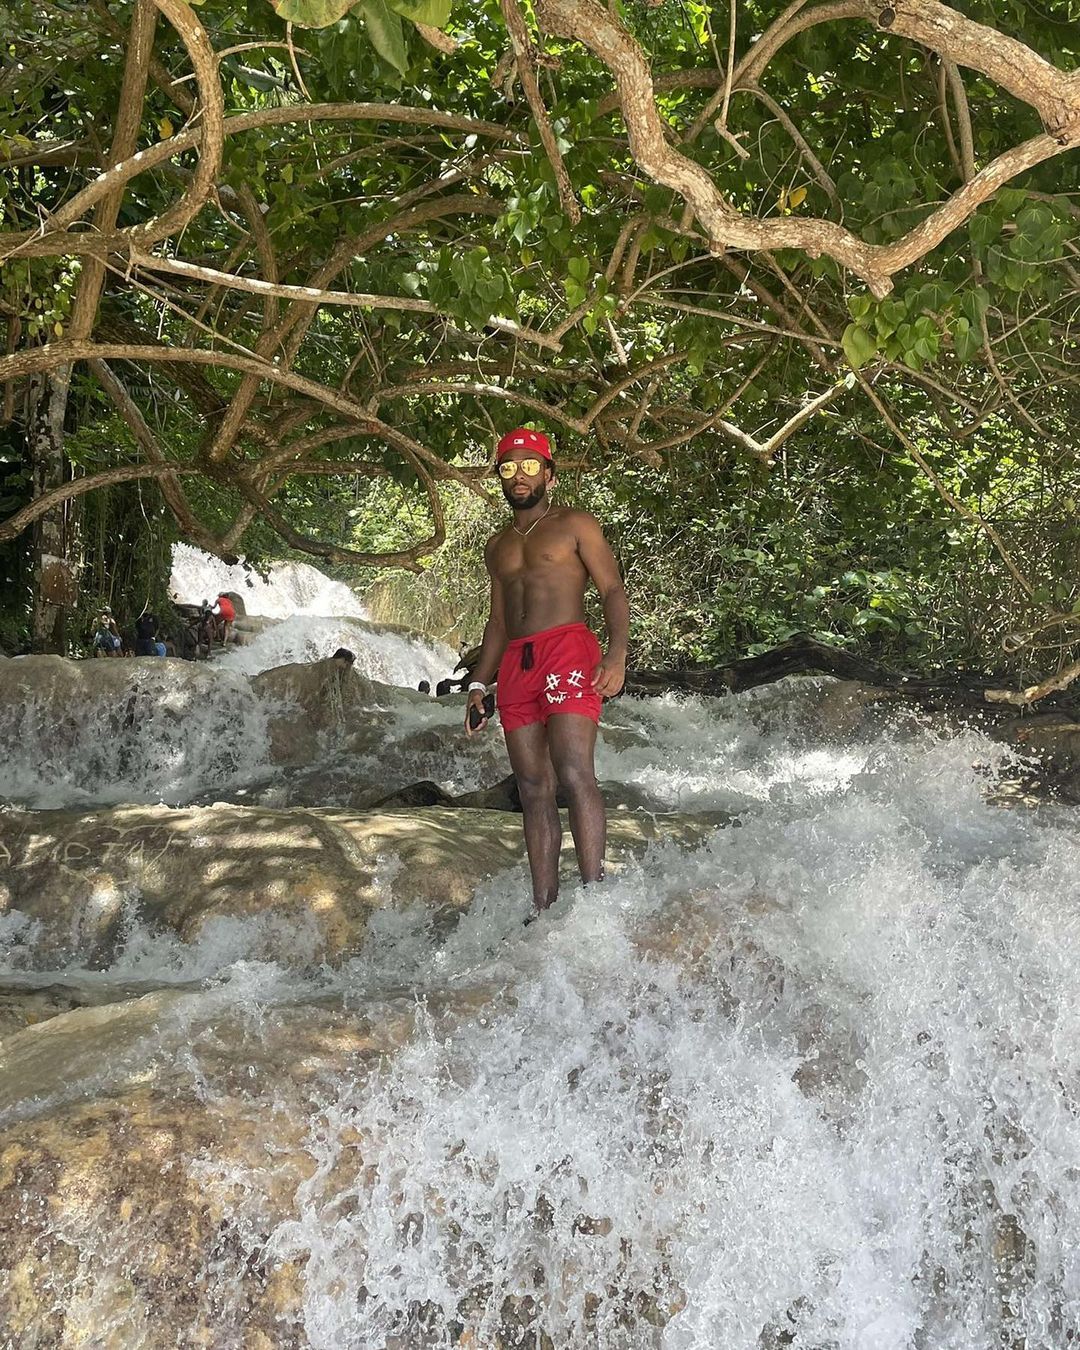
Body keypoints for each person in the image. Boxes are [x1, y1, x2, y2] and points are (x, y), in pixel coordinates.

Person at [465, 427, 628, 920]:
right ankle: (543, 908)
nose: (520, 475)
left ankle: (594, 900)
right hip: (517, 662)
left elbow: (612, 589)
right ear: (499, 476)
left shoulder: (575, 524)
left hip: (568, 650)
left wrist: (617, 654)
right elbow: (497, 622)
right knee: (533, 787)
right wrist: (478, 684)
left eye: (531, 465)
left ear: (549, 475)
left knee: (574, 772)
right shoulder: (496, 546)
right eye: (509, 467)